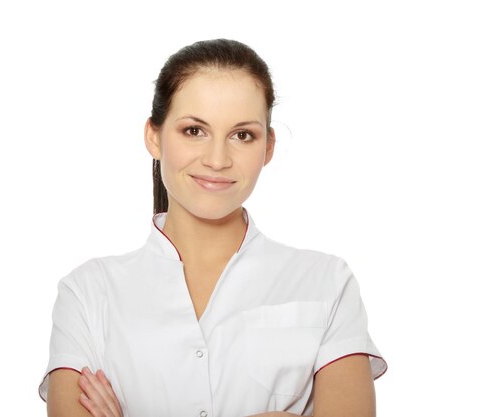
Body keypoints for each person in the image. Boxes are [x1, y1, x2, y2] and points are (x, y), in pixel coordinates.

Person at [39, 39, 387, 417]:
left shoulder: (327, 283)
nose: (218, 159)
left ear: (268, 147)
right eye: (194, 131)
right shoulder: (88, 293)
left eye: (242, 135)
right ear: (154, 137)